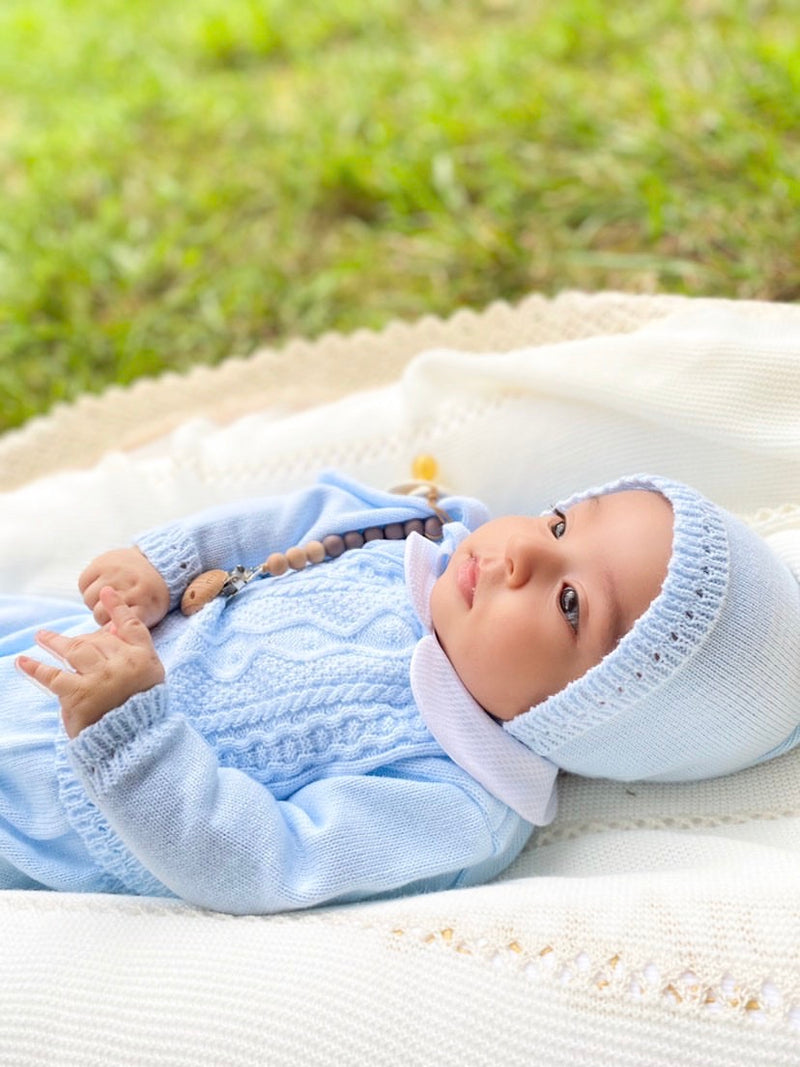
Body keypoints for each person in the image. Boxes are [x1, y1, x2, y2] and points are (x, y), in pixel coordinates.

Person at [5, 470, 799, 913]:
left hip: (54, 804)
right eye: (560, 523)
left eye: (569, 605)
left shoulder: (458, 805)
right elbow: (298, 514)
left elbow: (260, 860)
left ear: (587, 714)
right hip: (49, 639)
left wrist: (133, 735)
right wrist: (170, 560)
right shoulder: (423, 536)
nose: (520, 549)